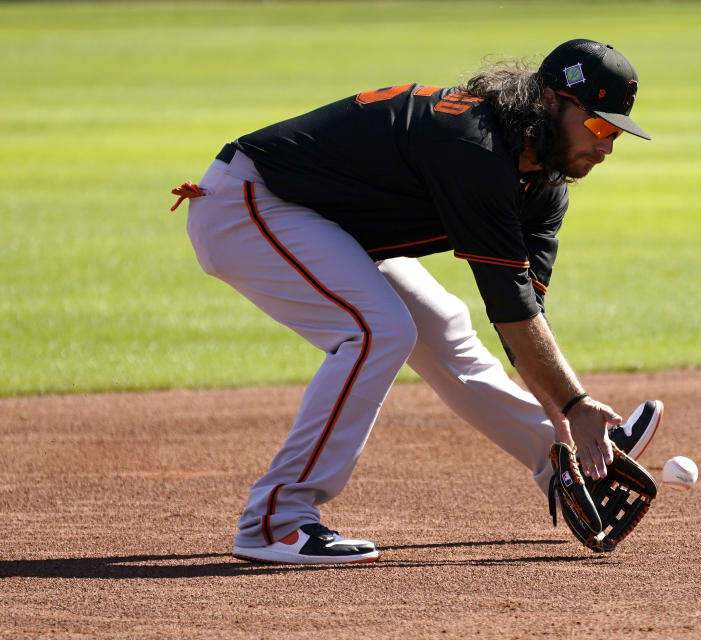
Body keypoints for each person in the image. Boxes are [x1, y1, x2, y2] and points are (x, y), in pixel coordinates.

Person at [173, 38, 664, 565]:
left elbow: (523, 318)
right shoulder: (474, 146)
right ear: (549, 102)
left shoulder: (542, 187)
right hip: (247, 204)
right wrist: (576, 403)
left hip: (324, 225)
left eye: (616, 132)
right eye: (598, 126)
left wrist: (571, 425)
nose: (607, 145)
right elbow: (510, 308)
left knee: (442, 324)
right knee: (377, 329)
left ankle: (556, 458)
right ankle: (276, 520)